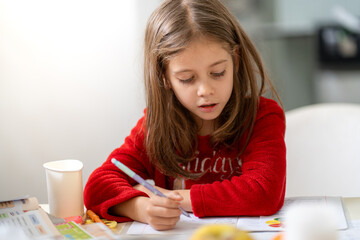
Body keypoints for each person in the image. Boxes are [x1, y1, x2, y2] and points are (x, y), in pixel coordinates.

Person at [84, 0, 286, 231]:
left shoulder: (262, 117)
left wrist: (172, 197)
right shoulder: (156, 126)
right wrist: (140, 207)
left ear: (236, 60)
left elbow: (263, 192)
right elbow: (97, 186)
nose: (205, 90)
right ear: (165, 77)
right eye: (187, 79)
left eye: (218, 73)